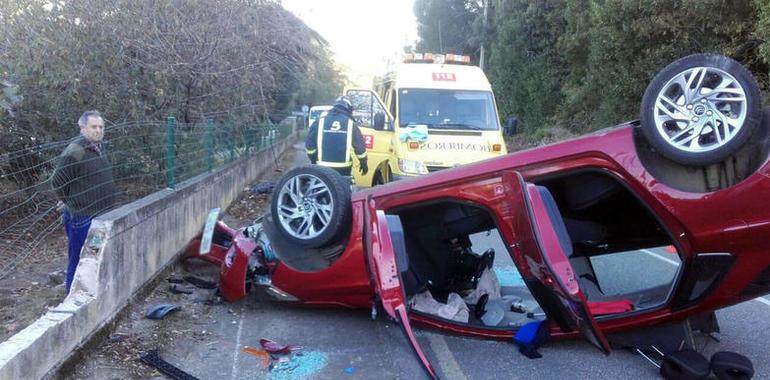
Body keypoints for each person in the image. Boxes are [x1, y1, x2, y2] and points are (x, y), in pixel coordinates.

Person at [50, 110, 119, 294]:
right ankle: (72, 297)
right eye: (94, 127)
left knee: (94, 258)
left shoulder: (97, 148)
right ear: (82, 128)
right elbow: (57, 182)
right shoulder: (76, 150)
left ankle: (90, 293)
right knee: (80, 259)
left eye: (101, 127)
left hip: (101, 215)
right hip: (82, 217)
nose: (98, 130)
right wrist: (71, 202)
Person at [305, 96, 368, 177]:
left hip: (322, 167)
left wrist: (314, 160)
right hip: (343, 169)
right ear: (348, 109)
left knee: (323, 188)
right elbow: (360, 149)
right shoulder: (351, 124)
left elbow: (309, 146)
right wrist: (363, 163)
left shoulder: (319, 122)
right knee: (343, 188)